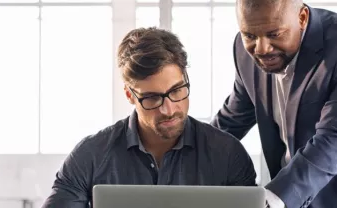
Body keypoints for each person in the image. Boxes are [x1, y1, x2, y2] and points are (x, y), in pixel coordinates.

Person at [41, 27, 257, 208]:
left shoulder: (229, 155)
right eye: (152, 98)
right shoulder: (90, 156)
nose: (168, 109)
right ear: (129, 95)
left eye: (176, 90)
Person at [211, 0, 337, 207]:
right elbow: (232, 120)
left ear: (302, 18)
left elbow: (332, 140)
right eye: (249, 36)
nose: (261, 49)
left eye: (274, 34)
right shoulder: (243, 51)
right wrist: (184, 152)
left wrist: (275, 197)